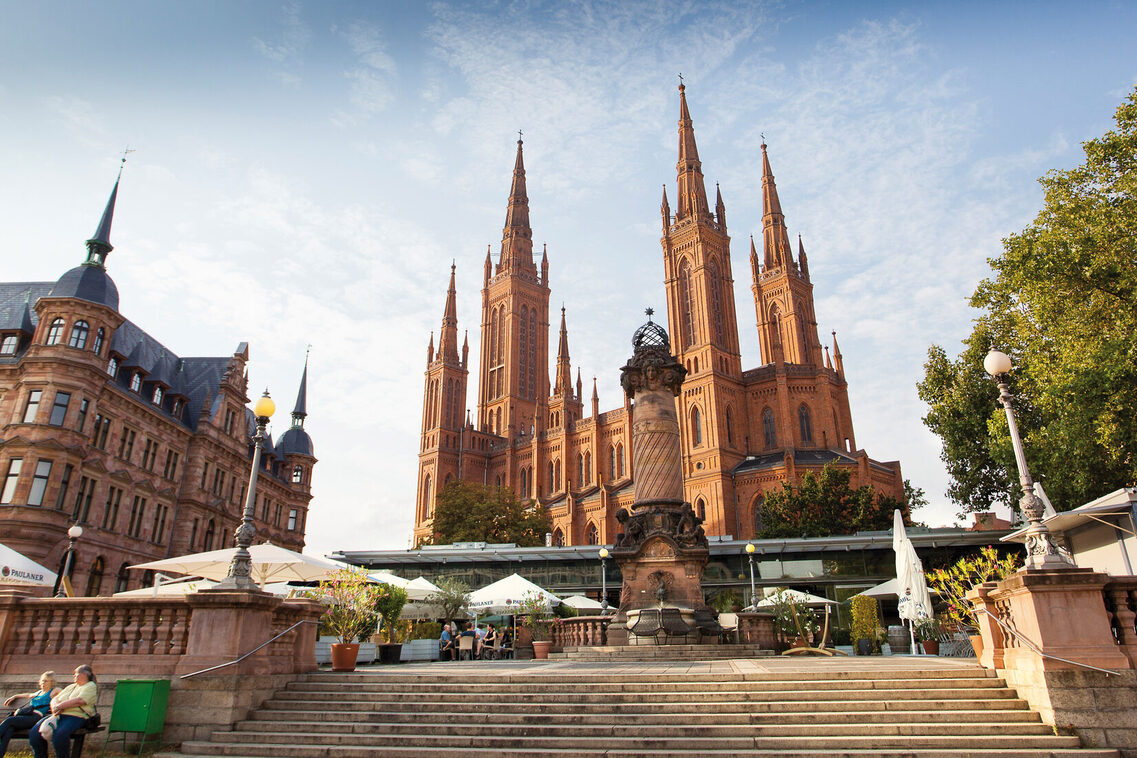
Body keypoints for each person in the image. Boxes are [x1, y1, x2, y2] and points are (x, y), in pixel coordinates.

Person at [28, 665, 95, 758]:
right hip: (59, 715)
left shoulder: (90, 686)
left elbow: (79, 701)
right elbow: (55, 699)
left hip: (76, 717)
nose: (74, 676)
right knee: (35, 733)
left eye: (76, 674)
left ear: (84, 674)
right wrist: (55, 706)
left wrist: (60, 706)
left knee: (60, 735)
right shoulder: (71, 686)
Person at [0, 672, 60, 757]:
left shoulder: (53, 691)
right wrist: (15, 696)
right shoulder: (38, 693)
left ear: (52, 682)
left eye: (46, 681)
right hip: (26, 717)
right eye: (42, 681)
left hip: (35, 717)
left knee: (10, 720)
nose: (43, 683)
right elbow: (28, 695)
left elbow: (63, 692)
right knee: (9, 729)